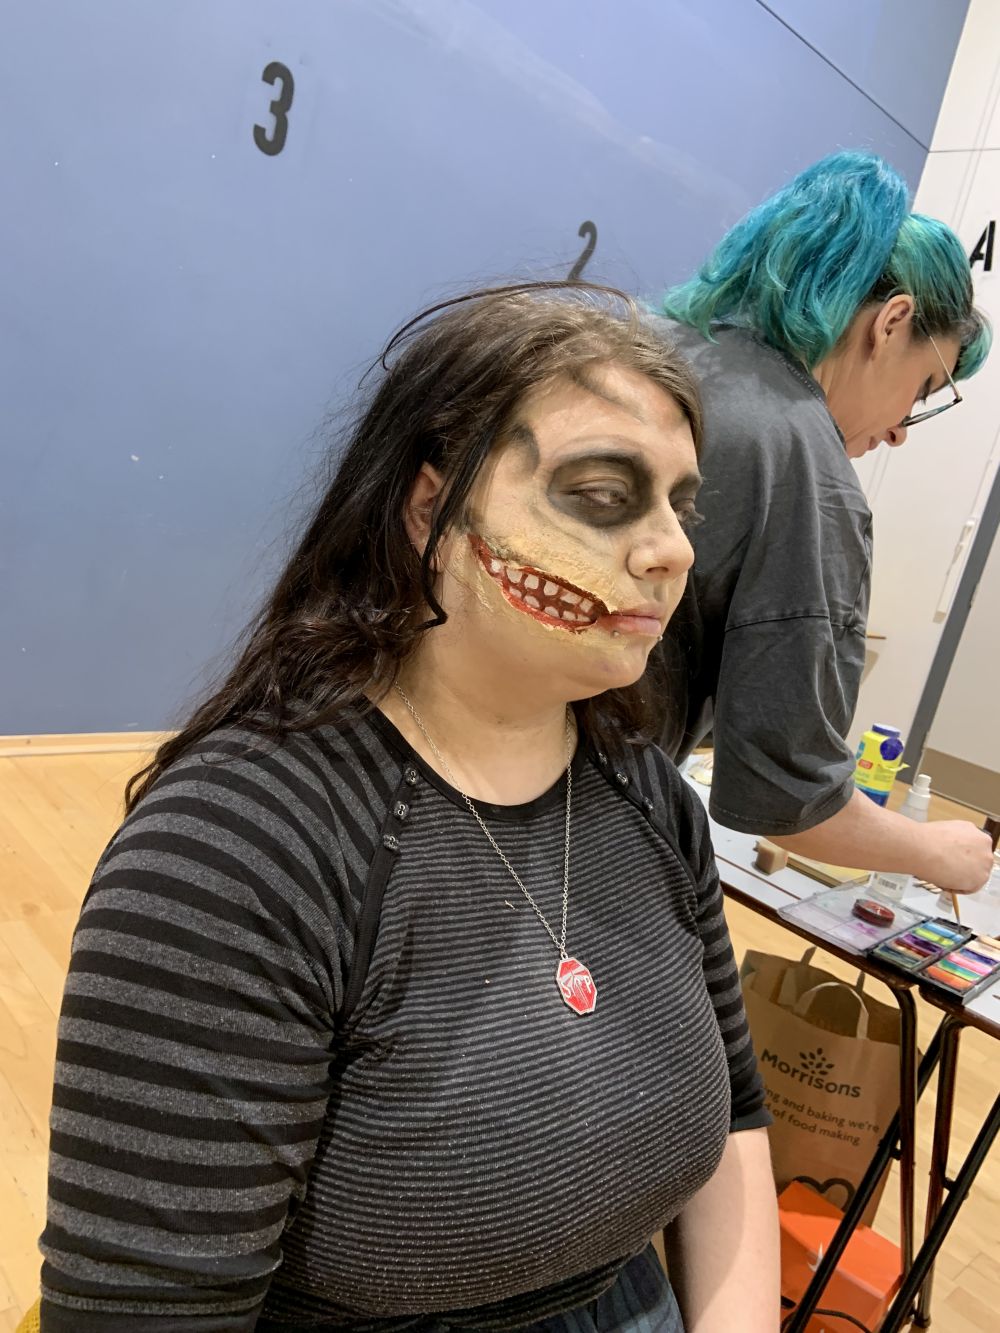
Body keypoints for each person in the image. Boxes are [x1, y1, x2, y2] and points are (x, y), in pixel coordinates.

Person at [39, 283, 779, 1332]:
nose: (674, 550)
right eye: (603, 494)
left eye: (679, 506)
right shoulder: (237, 854)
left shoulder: (649, 798)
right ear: (431, 511)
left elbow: (735, 1114)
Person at [654, 151, 994, 896]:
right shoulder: (802, 463)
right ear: (893, 322)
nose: (900, 431)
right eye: (924, 389)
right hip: (545, 826)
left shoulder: (644, 349)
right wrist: (936, 850)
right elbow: (789, 799)